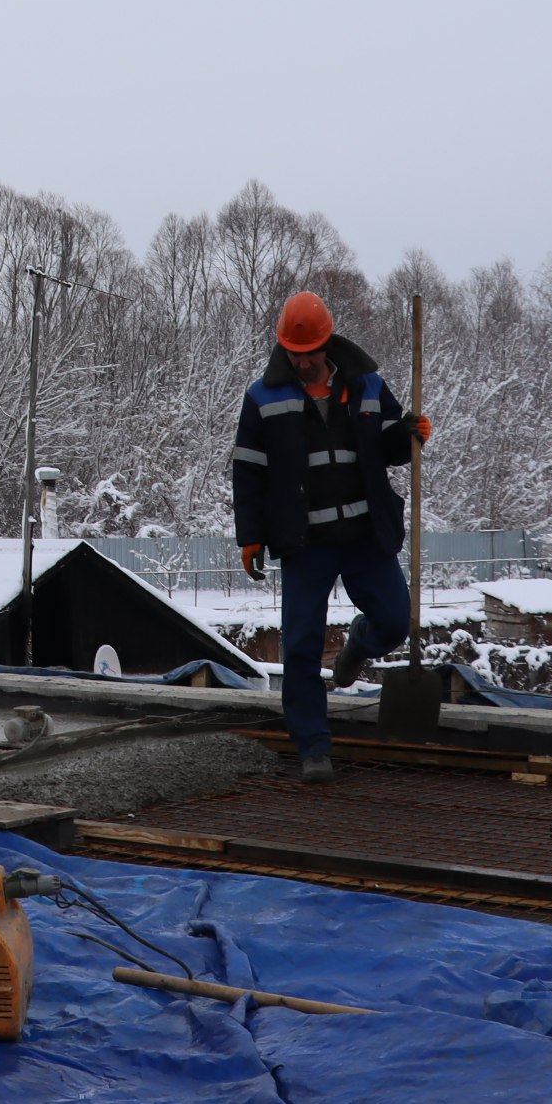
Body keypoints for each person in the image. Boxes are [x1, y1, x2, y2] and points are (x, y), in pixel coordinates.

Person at [230, 291, 430, 783]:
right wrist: (249, 536)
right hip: (306, 540)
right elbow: (248, 472)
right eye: (295, 353)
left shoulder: (367, 386)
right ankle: (313, 746)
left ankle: (358, 647)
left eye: (311, 352)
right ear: (284, 348)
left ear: (328, 343)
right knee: (299, 645)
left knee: (393, 621)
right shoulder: (263, 397)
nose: (304, 361)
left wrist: (410, 434)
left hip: (364, 533)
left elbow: (389, 448)